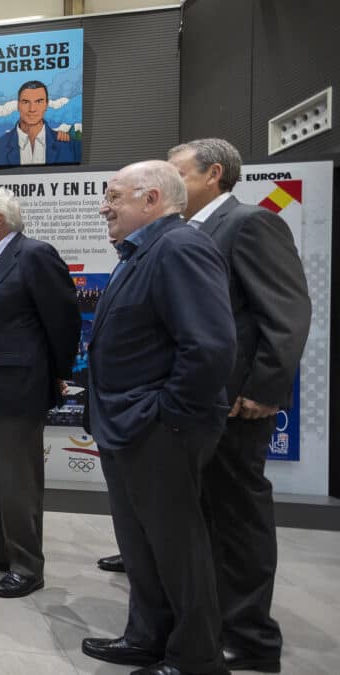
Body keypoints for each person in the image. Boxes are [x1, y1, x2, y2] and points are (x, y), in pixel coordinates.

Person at [80, 160, 235, 675]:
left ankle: (194, 658)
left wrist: (165, 416)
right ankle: (147, 638)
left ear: (151, 201)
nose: (105, 205)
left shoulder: (180, 247)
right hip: (128, 427)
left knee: (176, 548)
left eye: (115, 195)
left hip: (159, 430)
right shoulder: (141, 252)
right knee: (140, 544)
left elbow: (209, 348)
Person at [170, 138, 308, 673]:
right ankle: (211, 619)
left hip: (238, 403)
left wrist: (265, 390)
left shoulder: (250, 222)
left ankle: (250, 636)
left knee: (237, 517)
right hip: (197, 404)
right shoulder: (189, 232)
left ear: (214, 174)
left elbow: (287, 312)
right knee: (205, 513)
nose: (168, 178)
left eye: (177, 170)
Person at [0, 187, 80, 599]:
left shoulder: (34, 255)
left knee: (17, 482)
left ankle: (26, 564)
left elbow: (63, 322)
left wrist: (54, 375)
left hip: (17, 390)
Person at [0, 81, 81, 166]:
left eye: (39, 101)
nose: (32, 109)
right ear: (18, 105)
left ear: (46, 105)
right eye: (26, 102)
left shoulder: (72, 148)